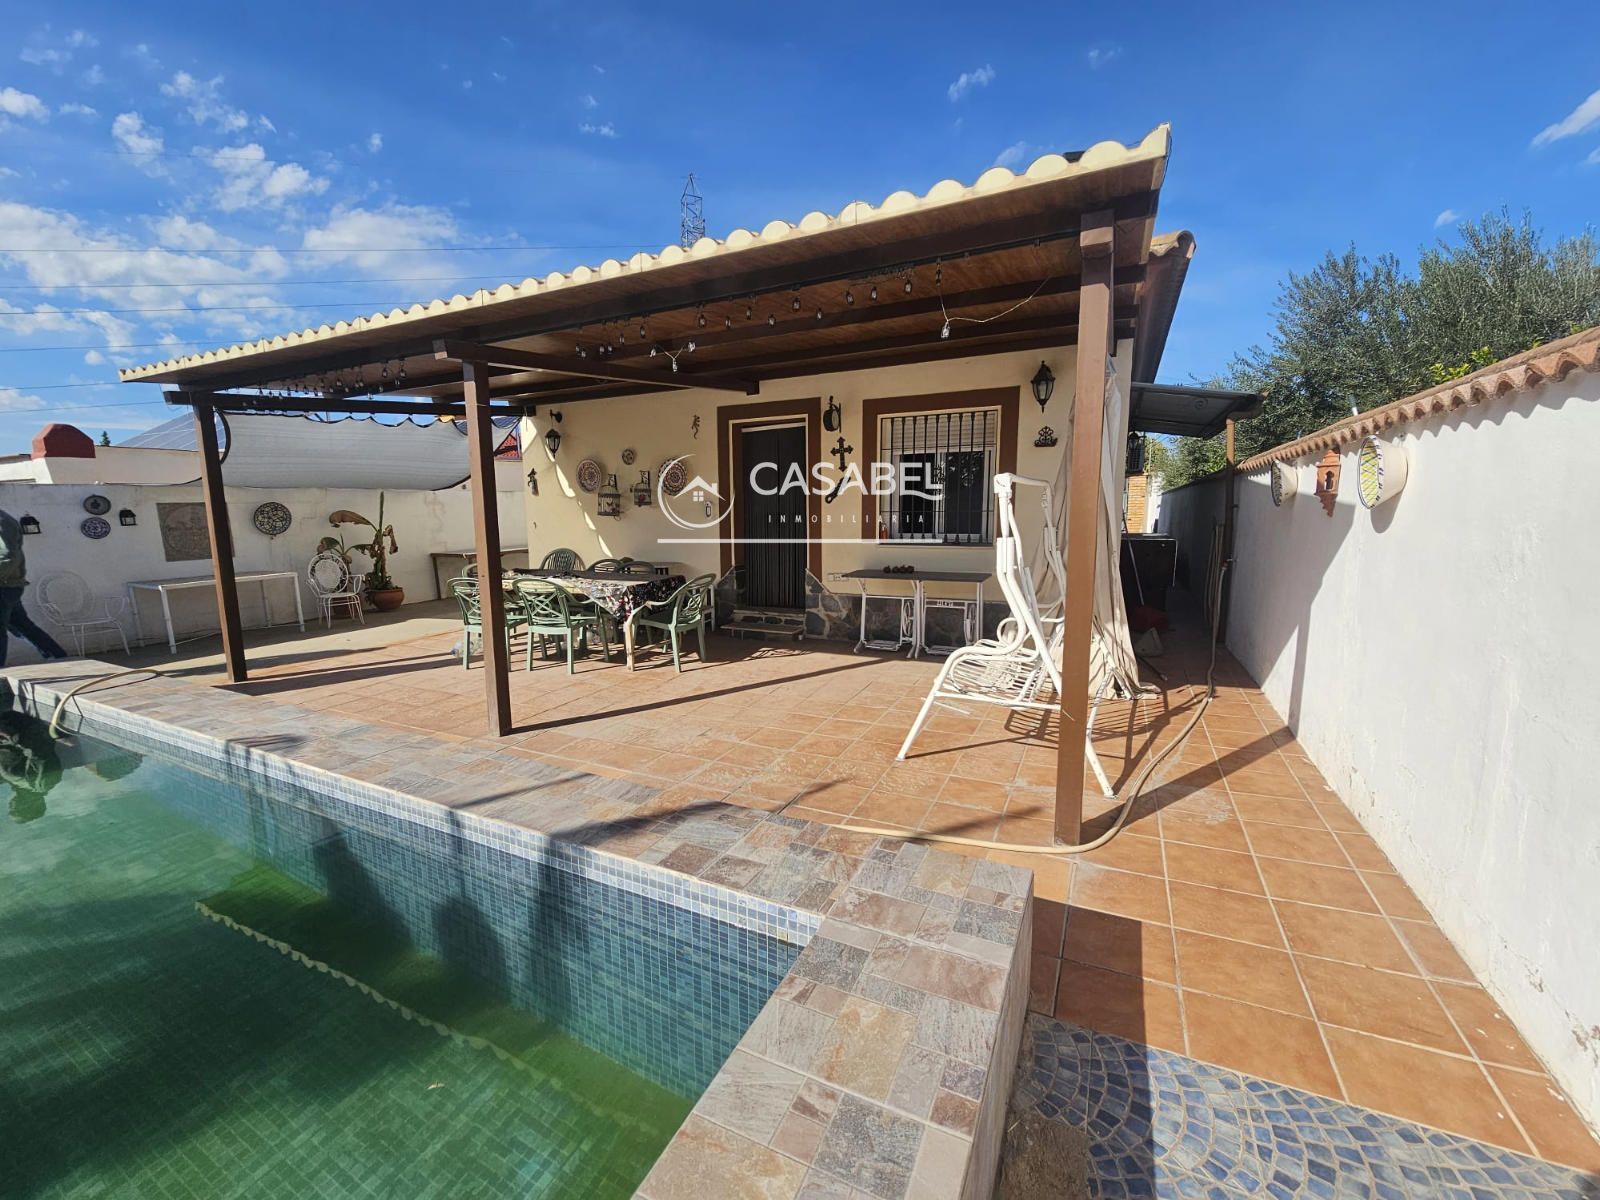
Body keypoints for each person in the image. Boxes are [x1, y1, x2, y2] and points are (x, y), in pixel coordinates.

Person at [0, 509, 69, 667]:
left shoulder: (3, 522)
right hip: (8, 585)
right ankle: (59, 657)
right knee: (22, 625)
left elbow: (9, 557)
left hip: (4, 586)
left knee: (15, 627)